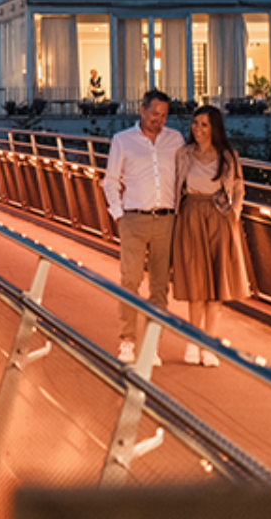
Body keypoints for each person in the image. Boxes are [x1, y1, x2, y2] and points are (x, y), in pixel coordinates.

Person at [101, 89, 184, 365]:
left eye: (164, 115)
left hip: (166, 219)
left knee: (160, 286)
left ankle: (151, 345)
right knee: (130, 280)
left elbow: (185, 175)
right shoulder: (122, 140)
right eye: (154, 114)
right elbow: (110, 180)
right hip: (134, 218)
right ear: (142, 110)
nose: (158, 120)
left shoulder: (175, 140)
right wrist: (119, 214)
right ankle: (127, 341)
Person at [172, 104, 252, 368]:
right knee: (196, 286)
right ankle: (192, 342)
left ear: (214, 128)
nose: (198, 129)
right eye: (195, 123)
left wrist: (234, 214)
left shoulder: (228, 156)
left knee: (216, 289)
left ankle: (209, 344)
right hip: (191, 216)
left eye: (204, 124)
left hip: (219, 217)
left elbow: (239, 187)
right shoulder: (184, 154)